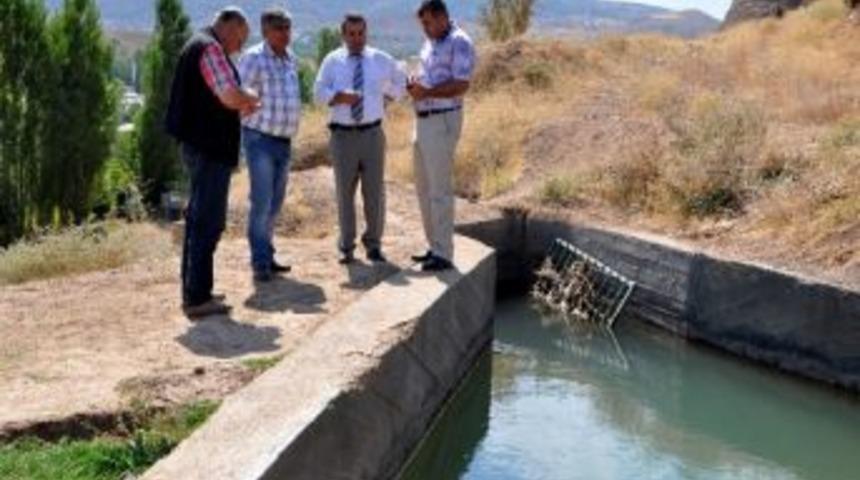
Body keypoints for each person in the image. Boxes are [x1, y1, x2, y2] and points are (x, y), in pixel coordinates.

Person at [166, 6, 259, 318]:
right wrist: (249, 97)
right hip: (208, 150)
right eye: (241, 39)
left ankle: (195, 290)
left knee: (198, 221)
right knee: (207, 222)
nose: (240, 47)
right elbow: (229, 95)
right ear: (231, 27)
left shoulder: (200, 44)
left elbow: (219, 99)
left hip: (201, 147)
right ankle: (197, 297)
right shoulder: (210, 49)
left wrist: (238, 103)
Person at [314, 13, 407, 265]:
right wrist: (338, 97)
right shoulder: (332, 61)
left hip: (373, 135)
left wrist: (388, 97)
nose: (357, 39)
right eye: (351, 34)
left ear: (366, 33)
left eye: (361, 33)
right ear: (343, 35)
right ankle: (346, 246)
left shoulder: (379, 59)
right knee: (344, 193)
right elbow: (318, 92)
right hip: (342, 136)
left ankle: (374, 245)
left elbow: (401, 79)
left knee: (374, 192)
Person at [407, 0, 476, 272]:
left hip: (442, 120)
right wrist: (415, 86)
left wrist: (427, 93)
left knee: (439, 190)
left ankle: (444, 254)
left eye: (428, 23)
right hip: (423, 120)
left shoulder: (459, 42)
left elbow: (461, 84)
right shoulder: (431, 43)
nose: (425, 28)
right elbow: (430, 78)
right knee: (424, 188)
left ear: (443, 17)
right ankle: (434, 246)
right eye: (422, 24)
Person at [238, 8, 302, 282]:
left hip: (283, 142)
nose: (285, 33)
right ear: (265, 31)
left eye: (287, 28)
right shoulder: (253, 58)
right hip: (260, 140)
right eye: (279, 28)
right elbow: (240, 95)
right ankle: (260, 262)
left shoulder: (291, 60)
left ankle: (267, 253)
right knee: (262, 202)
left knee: (275, 204)